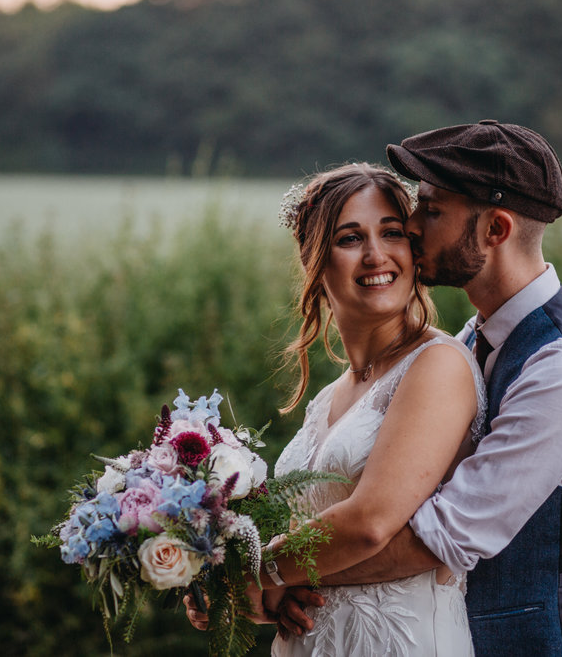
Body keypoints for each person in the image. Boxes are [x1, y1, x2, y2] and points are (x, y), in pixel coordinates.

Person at [272, 121, 562, 657]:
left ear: (496, 229)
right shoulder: (471, 341)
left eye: (433, 209)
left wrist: (265, 580)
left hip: (542, 642)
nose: (412, 225)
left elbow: (438, 537)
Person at [185, 162, 487, 655]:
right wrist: (222, 583)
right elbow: (303, 543)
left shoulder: (438, 366)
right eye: (350, 239)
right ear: (315, 262)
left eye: (392, 233)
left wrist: (257, 572)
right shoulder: (328, 399)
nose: (376, 255)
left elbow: (370, 522)